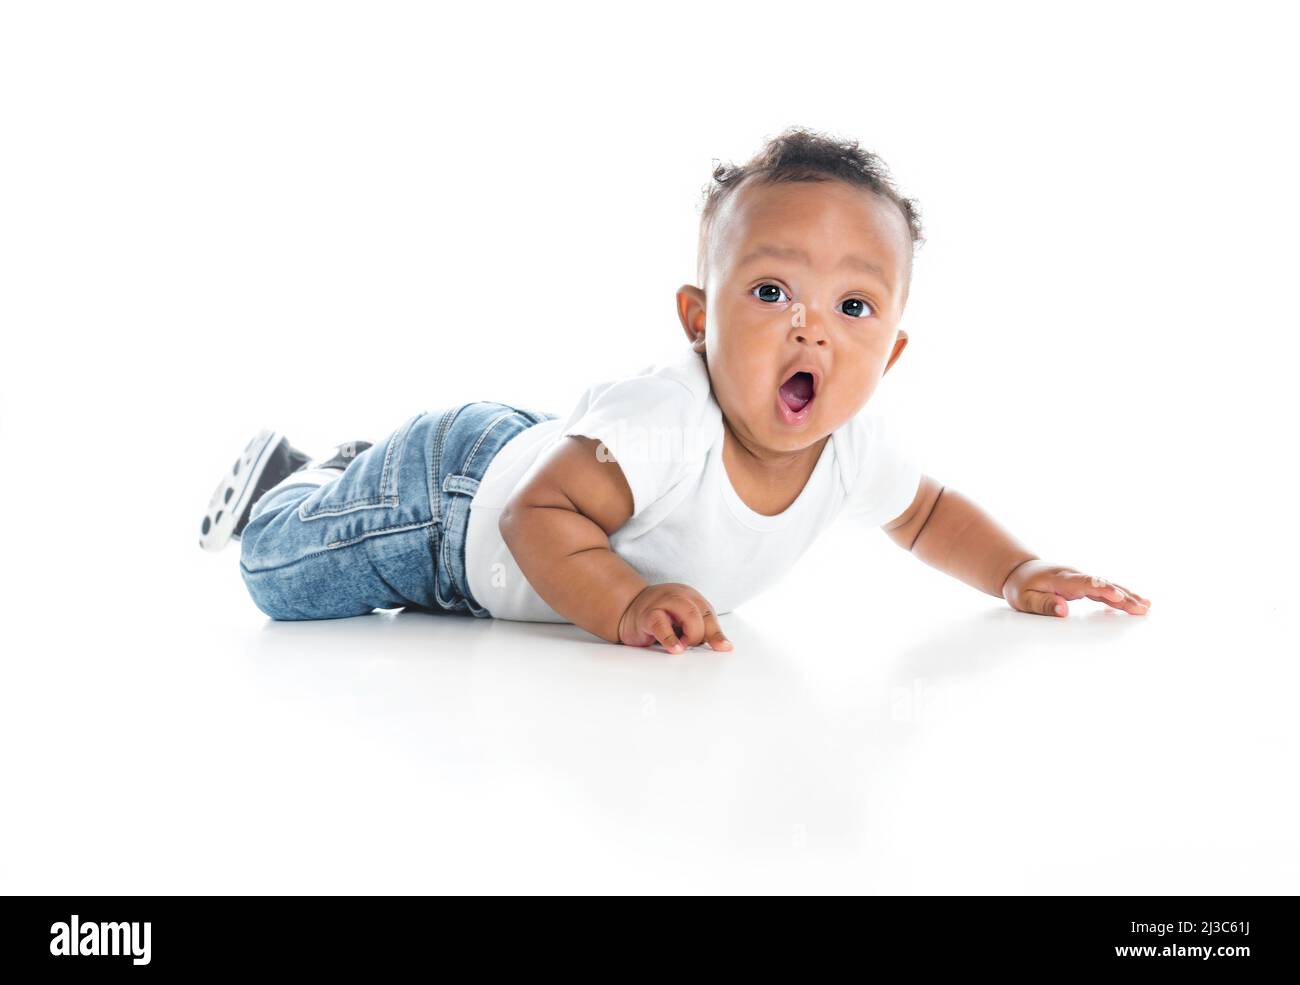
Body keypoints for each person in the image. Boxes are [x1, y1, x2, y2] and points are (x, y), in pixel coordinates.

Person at [198, 126, 1150, 651]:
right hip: (453, 516)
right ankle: (295, 483)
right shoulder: (672, 418)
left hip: (562, 457)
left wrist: (1019, 571)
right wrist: (621, 601)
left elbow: (930, 513)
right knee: (280, 579)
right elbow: (538, 515)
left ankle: (353, 463)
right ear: (700, 319)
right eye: (772, 291)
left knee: (578, 468)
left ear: (891, 353)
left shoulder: (851, 448)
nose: (811, 325)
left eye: (854, 306)